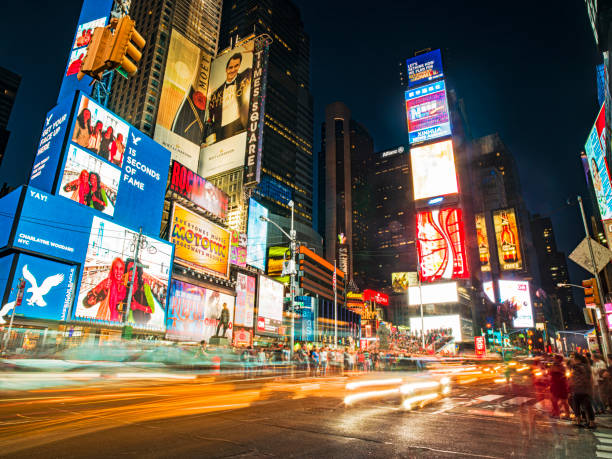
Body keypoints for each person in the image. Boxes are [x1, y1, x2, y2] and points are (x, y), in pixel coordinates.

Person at [205, 51, 252, 145]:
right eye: (230, 67)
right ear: (226, 69)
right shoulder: (216, 93)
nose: (233, 70)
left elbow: (254, 69)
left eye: (236, 66)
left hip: (240, 125)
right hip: (221, 131)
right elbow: (210, 119)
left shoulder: (245, 76)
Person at [82, 257, 126, 322]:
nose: (119, 271)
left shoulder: (124, 285)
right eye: (116, 268)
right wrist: (103, 287)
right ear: (112, 270)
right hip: (105, 320)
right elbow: (99, 289)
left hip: (118, 321)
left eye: (121, 269)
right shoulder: (108, 282)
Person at [569, 352, 596, 428]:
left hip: (578, 388)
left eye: (574, 359)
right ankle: (591, 422)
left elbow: (574, 379)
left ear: (577, 360)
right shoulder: (587, 367)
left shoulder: (576, 367)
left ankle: (578, 420)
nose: (573, 360)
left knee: (575, 403)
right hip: (586, 389)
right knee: (588, 405)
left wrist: (571, 386)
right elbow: (590, 378)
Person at [125, 259, 155, 324]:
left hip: (139, 325)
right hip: (125, 324)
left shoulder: (144, 287)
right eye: (128, 270)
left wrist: (138, 306)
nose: (130, 273)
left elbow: (152, 309)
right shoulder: (125, 286)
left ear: (138, 272)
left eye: (132, 270)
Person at [549, 354, 570, 419]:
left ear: (558, 359)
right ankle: (557, 413)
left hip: (561, 385)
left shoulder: (562, 366)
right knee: (553, 400)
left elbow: (563, 373)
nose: (553, 359)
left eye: (555, 358)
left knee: (564, 401)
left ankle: (567, 414)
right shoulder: (553, 365)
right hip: (554, 384)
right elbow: (550, 372)